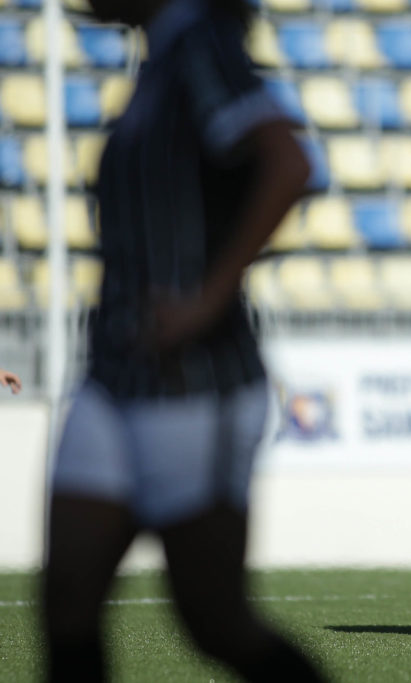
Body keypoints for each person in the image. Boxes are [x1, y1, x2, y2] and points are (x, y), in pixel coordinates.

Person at [42, 1, 324, 681]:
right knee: (66, 607)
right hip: (114, 376)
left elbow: (288, 162)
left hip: (194, 383)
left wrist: (208, 296)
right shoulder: (160, 57)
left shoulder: (200, 41)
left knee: (214, 619)